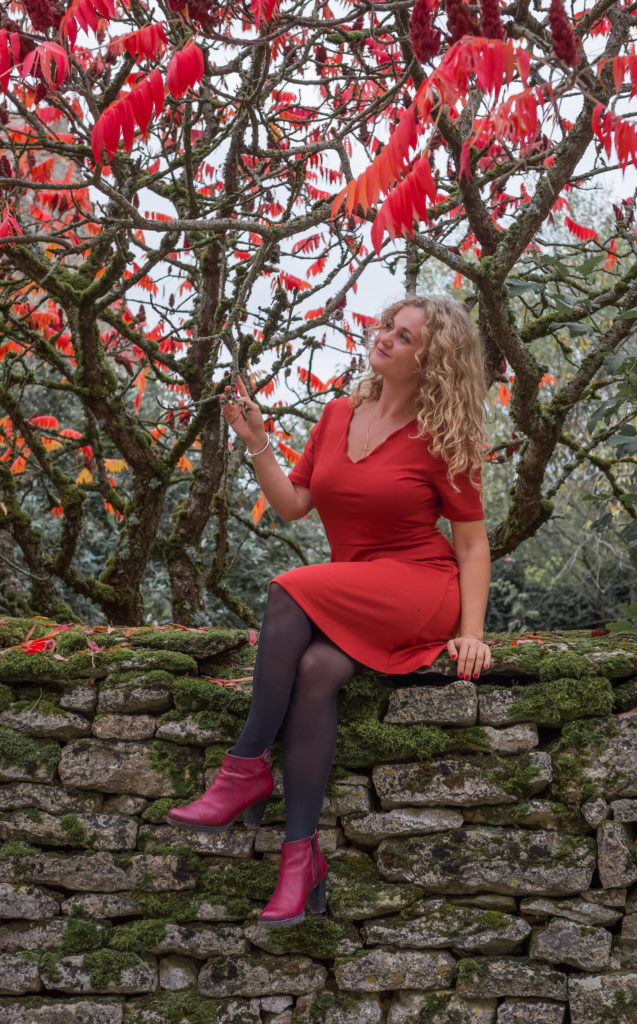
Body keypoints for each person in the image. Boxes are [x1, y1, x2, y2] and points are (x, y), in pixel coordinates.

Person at [167, 295, 492, 928]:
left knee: (289, 585)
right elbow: (293, 505)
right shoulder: (339, 413)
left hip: (419, 587)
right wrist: (258, 442)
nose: (385, 339)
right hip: (357, 587)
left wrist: (472, 633)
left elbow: (473, 544)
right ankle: (299, 861)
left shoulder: (444, 438)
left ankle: (243, 769)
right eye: (386, 327)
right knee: (315, 671)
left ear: (433, 359)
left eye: (403, 336)